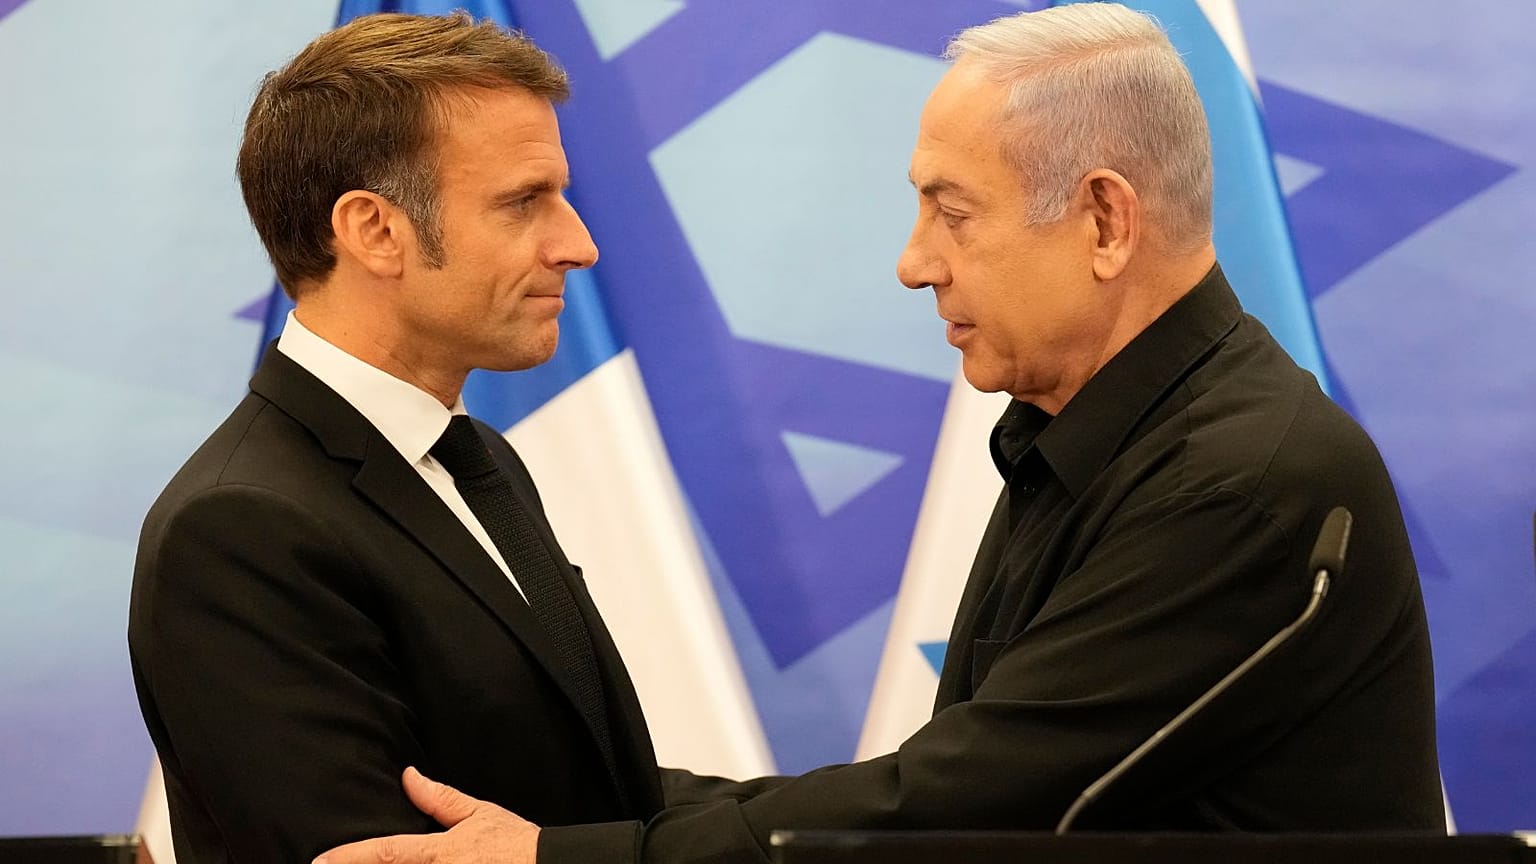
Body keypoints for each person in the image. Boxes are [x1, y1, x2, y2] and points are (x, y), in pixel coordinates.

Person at [315, 4, 1444, 864]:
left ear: (1104, 220)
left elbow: (966, 813)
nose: (915, 262)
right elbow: (943, 791)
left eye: (952, 212)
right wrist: (576, 812)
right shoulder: (1093, 436)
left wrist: (563, 858)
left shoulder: (1237, 481)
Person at [127, 13, 667, 863]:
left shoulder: (477, 459)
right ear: (375, 231)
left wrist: (861, 812)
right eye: (523, 202)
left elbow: (588, 795)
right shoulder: (238, 529)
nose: (579, 245)